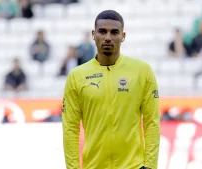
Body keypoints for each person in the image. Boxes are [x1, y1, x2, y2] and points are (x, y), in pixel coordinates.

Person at [62, 10, 160, 169]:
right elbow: (70, 129)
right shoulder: (77, 76)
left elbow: (152, 122)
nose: (108, 37)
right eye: (102, 31)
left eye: (114, 32)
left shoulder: (142, 71)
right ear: (94, 34)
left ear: (123, 36)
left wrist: (150, 165)